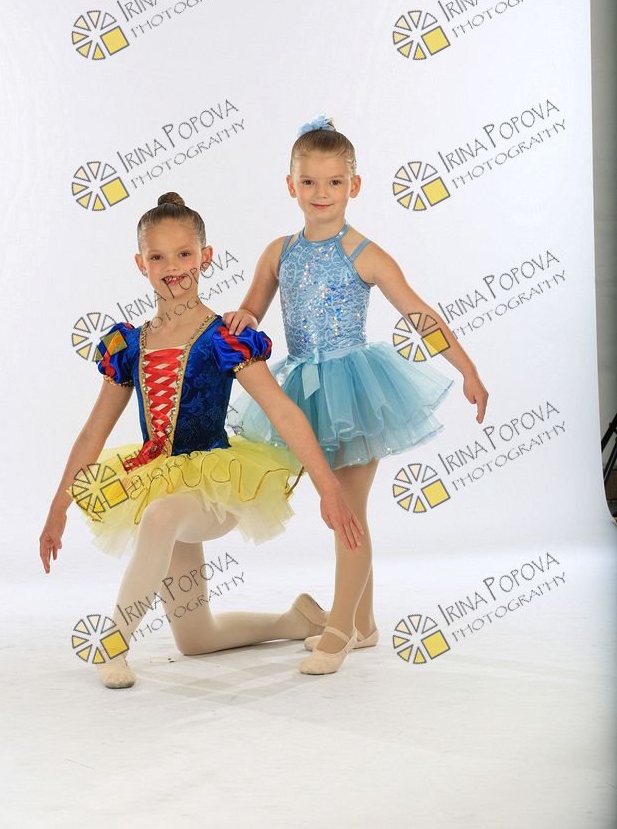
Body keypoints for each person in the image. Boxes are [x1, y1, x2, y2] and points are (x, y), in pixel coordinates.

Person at [39, 191, 364, 690]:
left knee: (161, 516)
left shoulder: (223, 337)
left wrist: (328, 487)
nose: (172, 268)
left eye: (184, 254)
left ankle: (114, 643)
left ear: (205, 257)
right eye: (158, 257)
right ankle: (296, 620)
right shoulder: (129, 345)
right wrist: (58, 508)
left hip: (216, 486)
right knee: (195, 638)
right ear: (141, 264)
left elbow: (282, 410)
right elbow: (91, 433)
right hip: (157, 481)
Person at [224, 116, 490, 675]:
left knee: (348, 512)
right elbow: (253, 307)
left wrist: (467, 369)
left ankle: (340, 628)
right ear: (290, 185)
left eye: (334, 182)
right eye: (309, 182)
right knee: (342, 511)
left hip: (356, 392)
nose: (321, 193)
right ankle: (365, 622)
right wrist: (242, 316)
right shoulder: (278, 252)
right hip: (301, 390)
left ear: (355, 185)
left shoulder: (364, 253)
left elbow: (419, 315)